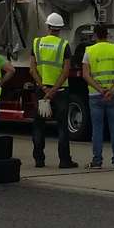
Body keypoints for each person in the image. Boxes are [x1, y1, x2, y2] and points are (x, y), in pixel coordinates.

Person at [30, 12, 77, 170]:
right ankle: (64, 161)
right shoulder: (64, 45)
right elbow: (66, 71)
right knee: (62, 127)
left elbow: (32, 69)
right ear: (60, 28)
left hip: (41, 90)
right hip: (60, 91)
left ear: (48, 26)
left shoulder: (36, 43)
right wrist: (54, 90)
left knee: (38, 125)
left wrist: (44, 88)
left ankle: (39, 160)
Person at [81, 23, 114, 170]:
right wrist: (112, 90)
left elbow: (85, 75)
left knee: (97, 129)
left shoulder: (89, 51)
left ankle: (97, 161)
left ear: (94, 35)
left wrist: (100, 90)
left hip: (95, 95)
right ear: (107, 35)